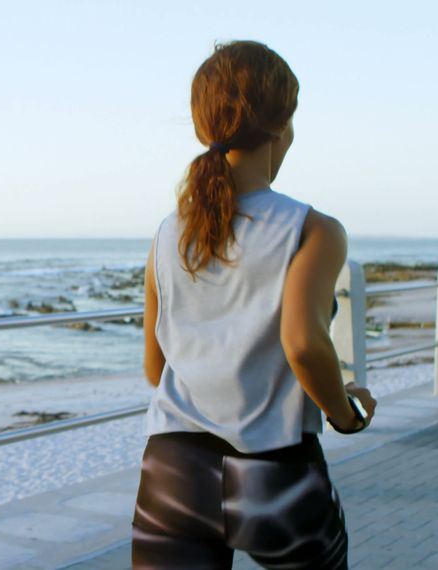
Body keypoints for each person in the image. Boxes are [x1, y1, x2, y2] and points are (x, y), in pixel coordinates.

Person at [133, 41, 378, 569]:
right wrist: (344, 413)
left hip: (172, 476)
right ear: (281, 125)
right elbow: (304, 344)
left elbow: (157, 368)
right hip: (277, 476)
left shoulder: (167, 233)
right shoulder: (313, 229)